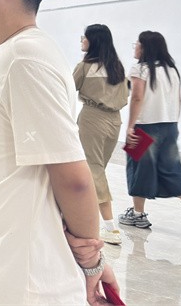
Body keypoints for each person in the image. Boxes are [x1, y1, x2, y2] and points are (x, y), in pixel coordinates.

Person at [0, 0, 118, 304]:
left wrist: (92, 262)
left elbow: (74, 179)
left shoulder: (25, 58)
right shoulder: (9, 54)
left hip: (27, 280)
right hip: (3, 262)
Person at [120, 31, 181, 236]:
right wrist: (174, 123)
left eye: (137, 44)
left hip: (144, 127)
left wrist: (130, 126)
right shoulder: (171, 70)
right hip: (169, 126)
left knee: (138, 169)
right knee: (172, 168)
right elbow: (179, 99)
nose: (135, 47)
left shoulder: (140, 69)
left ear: (144, 48)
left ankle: (138, 215)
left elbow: (137, 97)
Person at [74, 24, 130, 245]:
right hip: (114, 122)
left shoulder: (85, 67)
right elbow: (125, 94)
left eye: (84, 37)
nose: (82, 41)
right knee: (96, 170)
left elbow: (66, 89)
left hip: (93, 119)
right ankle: (82, 218)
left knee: (94, 170)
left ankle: (110, 227)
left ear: (93, 41)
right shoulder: (117, 67)